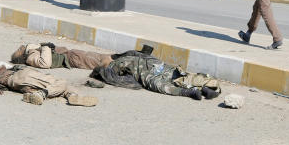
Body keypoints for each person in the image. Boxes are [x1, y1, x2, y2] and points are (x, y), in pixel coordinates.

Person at [91, 48, 222, 100]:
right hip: (149, 69)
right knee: (168, 80)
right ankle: (194, 90)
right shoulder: (113, 66)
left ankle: (200, 89)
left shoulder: (116, 62)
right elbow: (115, 78)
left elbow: (137, 53)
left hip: (152, 67)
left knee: (172, 77)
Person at [0, 65, 97, 106]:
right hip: (24, 76)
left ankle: (71, 96)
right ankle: (42, 94)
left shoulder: (1, 77)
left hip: (23, 86)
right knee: (61, 82)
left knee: (58, 87)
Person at [10, 41, 113, 70]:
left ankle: (120, 59)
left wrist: (44, 46)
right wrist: (46, 47)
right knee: (100, 61)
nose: (20, 47)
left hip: (71, 54)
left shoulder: (31, 50)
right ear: (20, 57)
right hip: (71, 59)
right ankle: (120, 66)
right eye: (18, 50)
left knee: (99, 56)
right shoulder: (30, 57)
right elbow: (45, 63)